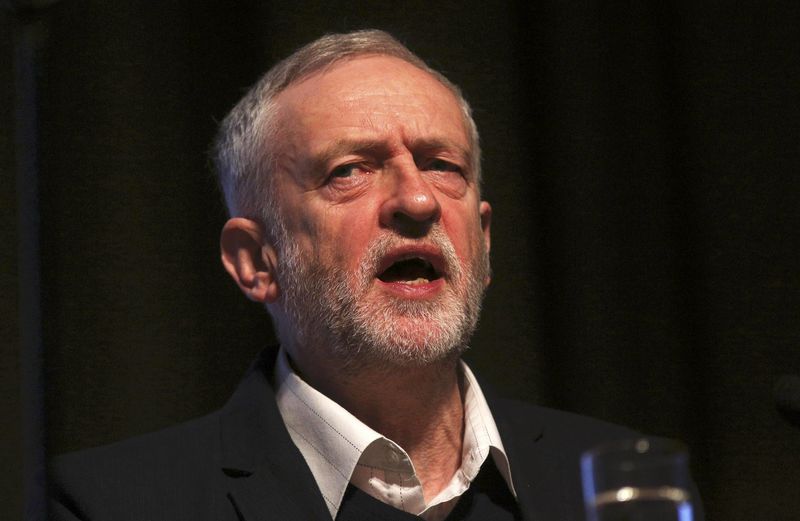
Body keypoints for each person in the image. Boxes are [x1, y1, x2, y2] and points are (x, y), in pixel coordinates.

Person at [49, 29, 698, 520]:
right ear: (256, 261)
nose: (417, 202)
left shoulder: (623, 484)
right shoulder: (112, 503)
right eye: (349, 170)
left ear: (486, 240)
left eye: (442, 164)